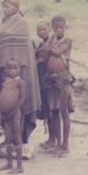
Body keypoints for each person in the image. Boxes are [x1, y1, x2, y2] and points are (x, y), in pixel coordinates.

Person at [0, 0, 41, 159]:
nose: (4, 9)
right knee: (6, 103)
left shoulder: (22, 23)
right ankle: (8, 139)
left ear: (16, 7)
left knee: (22, 104)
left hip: (22, 71)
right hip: (5, 71)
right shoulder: (4, 23)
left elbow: (5, 41)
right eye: (3, 6)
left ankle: (23, 140)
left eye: (7, 6)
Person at [45, 15, 74, 154]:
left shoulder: (67, 41)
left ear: (65, 27)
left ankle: (65, 145)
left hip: (62, 81)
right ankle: (57, 142)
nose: (58, 30)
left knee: (64, 112)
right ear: (52, 27)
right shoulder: (52, 40)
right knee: (54, 112)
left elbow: (56, 52)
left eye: (61, 27)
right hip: (51, 80)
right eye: (55, 27)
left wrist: (49, 46)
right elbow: (44, 53)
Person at [0, 59, 25, 174]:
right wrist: (1, 109)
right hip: (6, 114)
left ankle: (19, 166)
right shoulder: (5, 81)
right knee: (8, 137)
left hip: (16, 113)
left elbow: (22, 98)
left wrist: (14, 110)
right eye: (9, 68)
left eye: (15, 68)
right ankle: (9, 163)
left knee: (17, 137)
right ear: (6, 70)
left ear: (19, 70)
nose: (12, 71)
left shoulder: (20, 82)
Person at [34, 21, 56, 149]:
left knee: (51, 110)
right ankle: (51, 138)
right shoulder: (42, 43)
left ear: (49, 30)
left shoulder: (50, 43)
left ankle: (53, 139)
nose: (41, 32)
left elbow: (44, 59)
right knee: (47, 110)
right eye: (39, 30)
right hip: (42, 80)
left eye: (44, 29)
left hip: (48, 80)